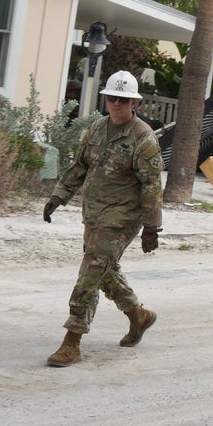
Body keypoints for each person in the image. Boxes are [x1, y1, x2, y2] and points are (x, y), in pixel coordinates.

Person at [41, 70, 163, 367]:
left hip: (123, 216)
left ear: (134, 103)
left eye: (123, 100)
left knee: (90, 273)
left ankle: (72, 341)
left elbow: (152, 186)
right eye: (112, 98)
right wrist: (59, 196)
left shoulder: (143, 138)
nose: (117, 104)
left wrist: (151, 227)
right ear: (106, 99)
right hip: (94, 211)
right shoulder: (96, 129)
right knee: (103, 271)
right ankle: (138, 315)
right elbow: (80, 167)